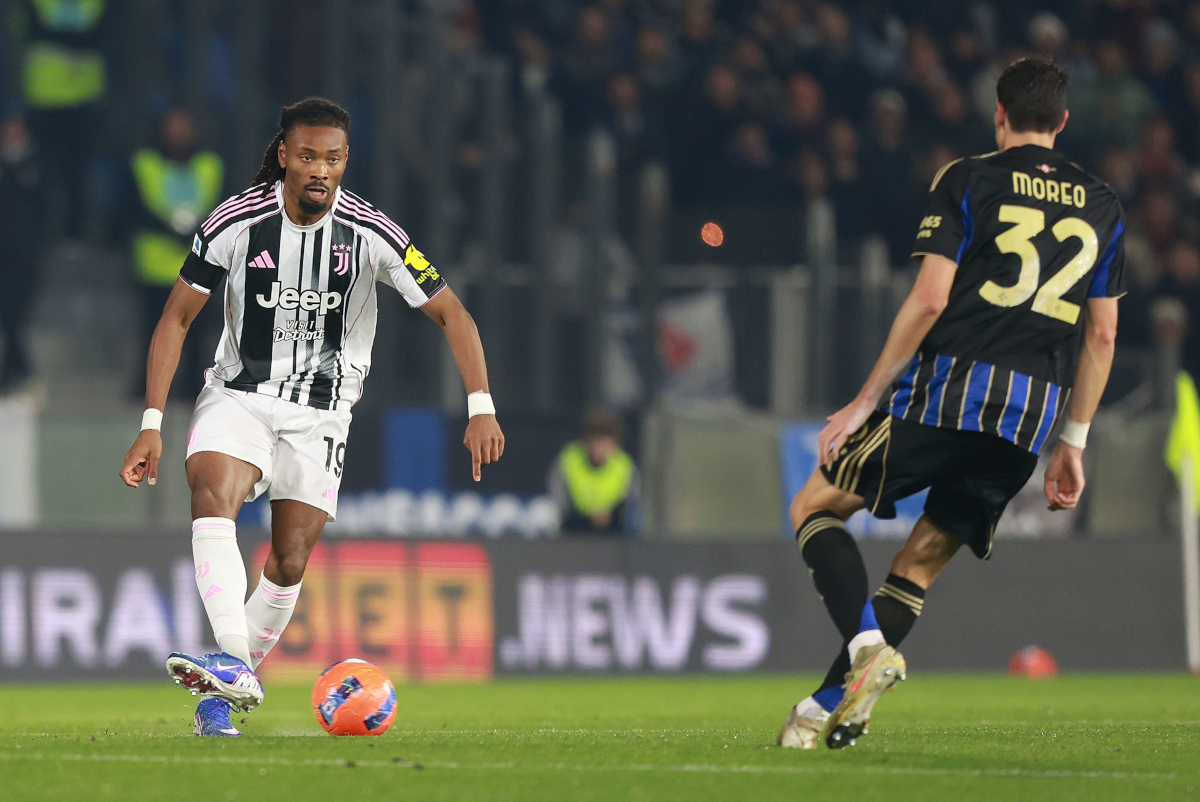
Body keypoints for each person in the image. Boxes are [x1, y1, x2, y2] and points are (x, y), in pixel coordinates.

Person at [118, 98, 505, 737]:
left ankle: (221, 698)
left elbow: (451, 313)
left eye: (332, 158)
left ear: (345, 161)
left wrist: (481, 406)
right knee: (211, 492)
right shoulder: (235, 221)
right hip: (239, 395)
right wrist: (153, 421)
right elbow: (177, 316)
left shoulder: (373, 233)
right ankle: (236, 666)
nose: (319, 170)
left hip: (322, 412)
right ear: (283, 157)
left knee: (290, 561)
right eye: (306, 156)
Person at [777, 56, 1125, 750]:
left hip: (951, 393)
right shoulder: (1104, 204)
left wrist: (861, 401)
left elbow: (931, 298)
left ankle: (867, 649)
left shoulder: (966, 178)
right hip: (1030, 417)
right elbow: (1104, 332)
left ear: (999, 114)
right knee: (919, 563)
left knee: (813, 505)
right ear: (1060, 121)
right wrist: (1074, 442)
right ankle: (821, 714)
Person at [125, 109, 224, 400]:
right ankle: (149, 388)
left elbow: (221, 207)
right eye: (172, 128)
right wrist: (174, 230)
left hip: (198, 266)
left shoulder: (210, 164)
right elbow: (131, 211)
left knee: (196, 334)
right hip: (155, 266)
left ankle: (192, 386)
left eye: (183, 128)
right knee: (153, 331)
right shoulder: (145, 163)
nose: (177, 135)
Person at [0, 116, 45, 394]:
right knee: (8, 314)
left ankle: (16, 370)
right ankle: (20, 370)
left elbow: (43, 209)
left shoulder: (37, 165)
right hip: (3, 253)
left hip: (27, 254)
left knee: (15, 314)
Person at [548, 409, 640, 535]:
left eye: (604, 440)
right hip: (574, 531)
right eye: (595, 438)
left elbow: (631, 505)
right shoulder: (569, 460)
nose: (599, 446)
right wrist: (586, 516)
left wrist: (611, 515)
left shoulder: (624, 466)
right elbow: (559, 502)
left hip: (614, 535)